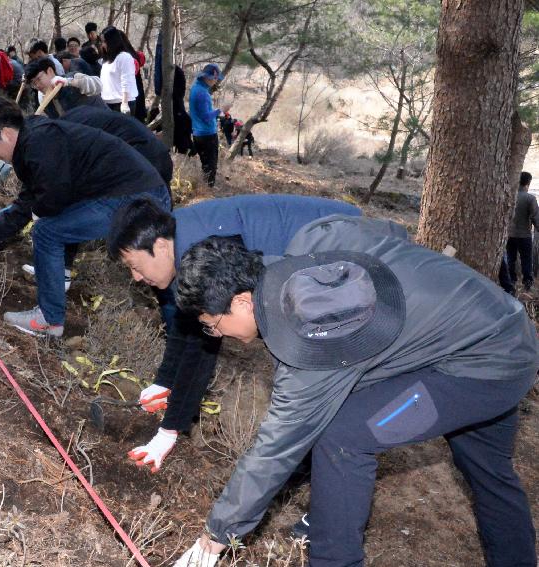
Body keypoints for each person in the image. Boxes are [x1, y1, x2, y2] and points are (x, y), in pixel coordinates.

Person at [170, 217, 538, 567]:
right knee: (490, 471)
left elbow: (278, 446)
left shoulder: (310, 332)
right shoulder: (309, 244)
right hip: (504, 324)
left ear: (242, 302)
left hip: (484, 365)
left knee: (342, 436)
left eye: (212, 326)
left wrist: (215, 537)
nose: (217, 337)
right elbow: (389, 229)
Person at [106, 196, 362, 474]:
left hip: (340, 245)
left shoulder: (203, 251)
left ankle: (314, 461)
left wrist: (169, 431)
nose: (136, 277)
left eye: (135, 265)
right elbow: (184, 318)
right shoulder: (175, 241)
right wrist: (165, 381)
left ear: (159, 246)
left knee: (315, 360)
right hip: (324, 239)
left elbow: (200, 346)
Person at [0, 98, 170, 337]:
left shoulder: (40, 141)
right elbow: (28, 202)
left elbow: (54, 197)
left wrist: (38, 213)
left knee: (47, 231)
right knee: (50, 227)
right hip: (133, 192)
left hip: (134, 196)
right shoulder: (33, 141)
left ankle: (49, 320)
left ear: (3, 133)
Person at [22, 105, 176, 290]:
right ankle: (62, 273)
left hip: (142, 168)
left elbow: (65, 193)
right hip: (145, 167)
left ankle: (166, 287)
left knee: (156, 246)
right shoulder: (69, 126)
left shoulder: (61, 137)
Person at [24, 58, 105, 118]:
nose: (37, 85)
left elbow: (99, 85)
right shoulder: (42, 97)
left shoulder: (71, 78)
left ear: (50, 71)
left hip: (105, 124)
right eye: (33, 83)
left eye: (38, 79)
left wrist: (69, 82)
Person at [189, 63, 224, 187]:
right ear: (207, 77)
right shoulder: (202, 93)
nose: (216, 81)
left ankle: (206, 186)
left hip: (198, 132)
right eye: (214, 78)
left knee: (205, 163)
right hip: (207, 134)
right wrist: (220, 110)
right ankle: (209, 189)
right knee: (211, 164)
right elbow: (206, 117)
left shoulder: (196, 88)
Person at [506, 171, 539, 292]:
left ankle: (512, 281)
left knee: (510, 258)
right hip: (524, 235)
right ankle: (527, 283)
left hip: (510, 234)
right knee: (526, 259)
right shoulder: (530, 198)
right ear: (528, 183)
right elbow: (536, 217)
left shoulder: (509, 195)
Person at [99, 26, 138, 114]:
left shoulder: (124, 57)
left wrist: (124, 103)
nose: (103, 45)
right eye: (102, 42)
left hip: (121, 104)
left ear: (112, 41)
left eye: (105, 41)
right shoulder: (106, 60)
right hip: (107, 103)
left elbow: (127, 80)